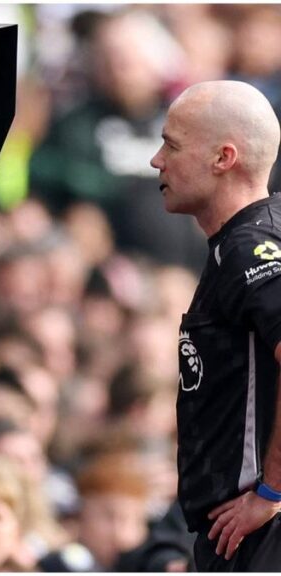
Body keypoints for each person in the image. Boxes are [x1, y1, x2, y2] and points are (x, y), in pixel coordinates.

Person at [150, 79, 281, 570]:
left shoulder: (251, 248)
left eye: (172, 144)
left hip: (256, 530)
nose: (156, 160)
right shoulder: (252, 236)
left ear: (223, 158)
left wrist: (271, 490)